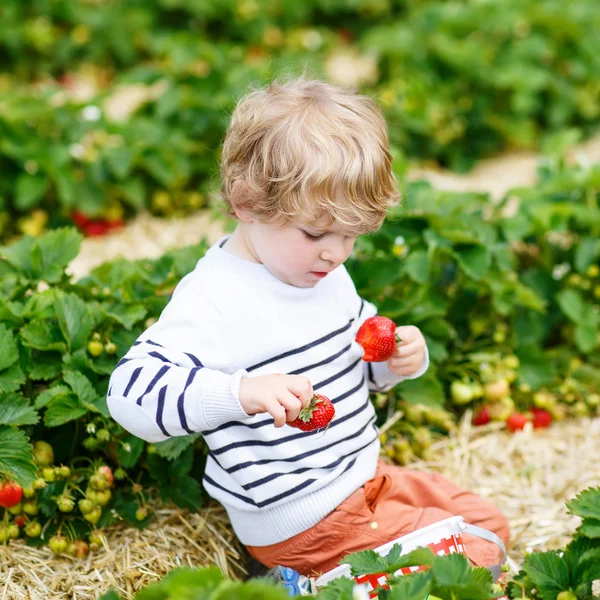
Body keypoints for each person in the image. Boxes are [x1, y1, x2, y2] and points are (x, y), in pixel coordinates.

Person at [106, 75, 510, 577]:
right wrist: (240, 392)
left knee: (490, 525)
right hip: (304, 520)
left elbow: (355, 367)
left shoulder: (322, 271)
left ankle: (332, 575)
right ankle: (300, 582)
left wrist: (396, 362)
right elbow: (129, 392)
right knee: (476, 559)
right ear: (247, 202)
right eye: (317, 232)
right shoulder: (215, 300)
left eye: (350, 236)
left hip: (365, 479)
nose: (337, 253)